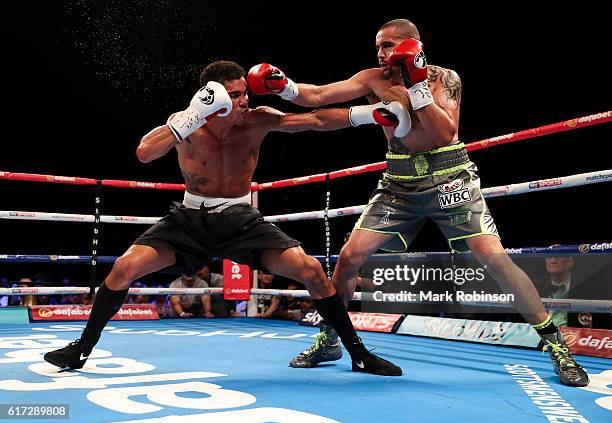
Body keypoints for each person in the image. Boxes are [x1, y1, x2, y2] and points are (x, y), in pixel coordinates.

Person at [248, 19, 589, 386]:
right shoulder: (373, 78)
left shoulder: (445, 79)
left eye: (389, 46)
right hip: (399, 183)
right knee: (349, 257)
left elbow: (444, 133)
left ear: (413, 45)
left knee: (495, 259)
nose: (381, 54)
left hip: (450, 178)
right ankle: (331, 338)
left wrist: (417, 83)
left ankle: (556, 347)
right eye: (378, 46)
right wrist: (283, 86)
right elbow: (315, 96)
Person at [44, 60, 409, 376]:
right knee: (123, 268)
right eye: (233, 95)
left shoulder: (256, 121)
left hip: (241, 219)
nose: (243, 100)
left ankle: (358, 355)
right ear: (211, 96)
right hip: (189, 218)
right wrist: (191, 116)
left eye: (242, 93)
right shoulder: (186, 124)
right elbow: (144, 153)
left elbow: (312, 119)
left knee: (311, 270)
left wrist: (365, 115)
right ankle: (81, 349)